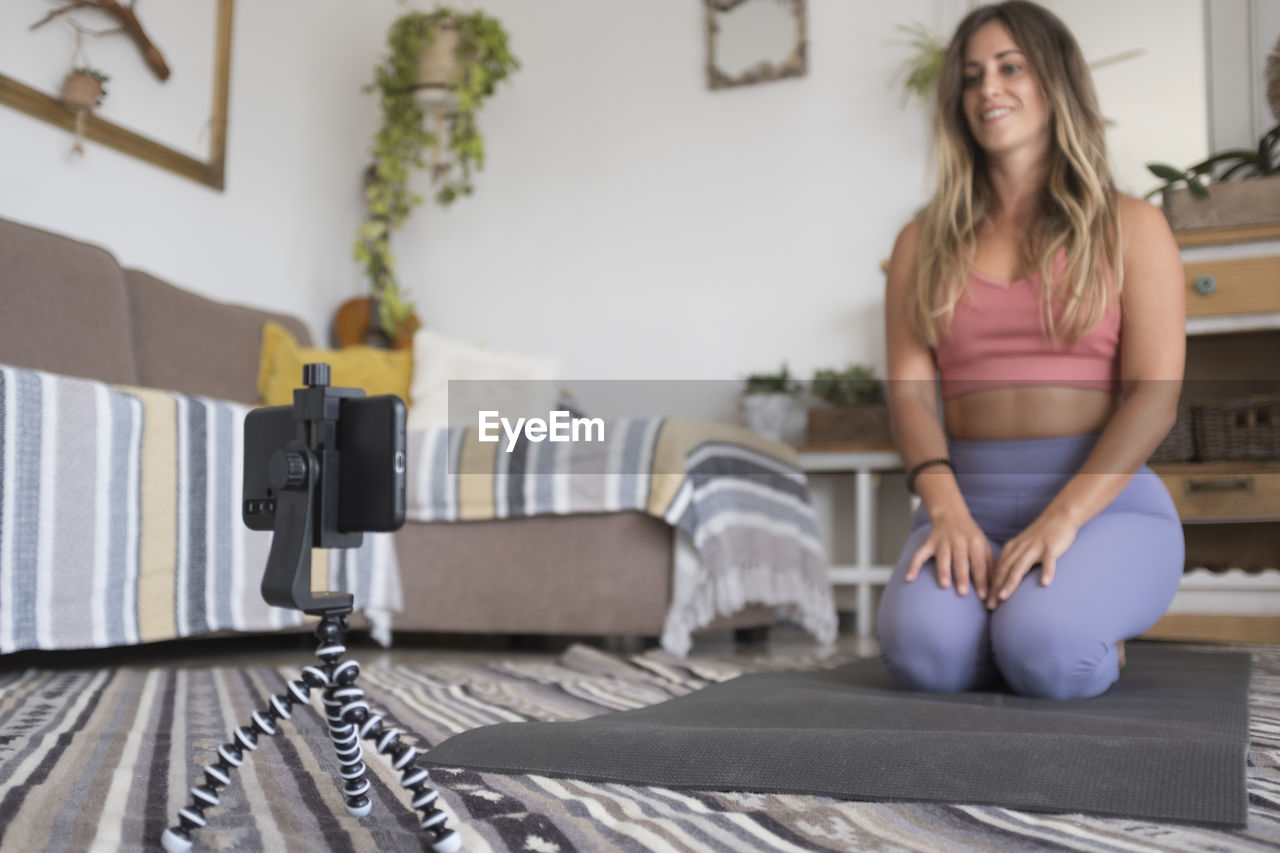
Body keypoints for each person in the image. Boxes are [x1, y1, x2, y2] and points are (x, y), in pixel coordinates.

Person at [876, 0, 1186, 700]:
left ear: (1055, 83)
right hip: (967, 500)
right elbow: (911, 394)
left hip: (1102, 504)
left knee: (1050, 658)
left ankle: (1054, 626)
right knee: (925, 661)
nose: (989, 88)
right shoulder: (919, 243)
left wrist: (1064, 518)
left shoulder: (1133, 226)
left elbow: (1154, 396)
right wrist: (947, 509)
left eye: (1011, 68)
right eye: (973, 75)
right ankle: (1004, 627)